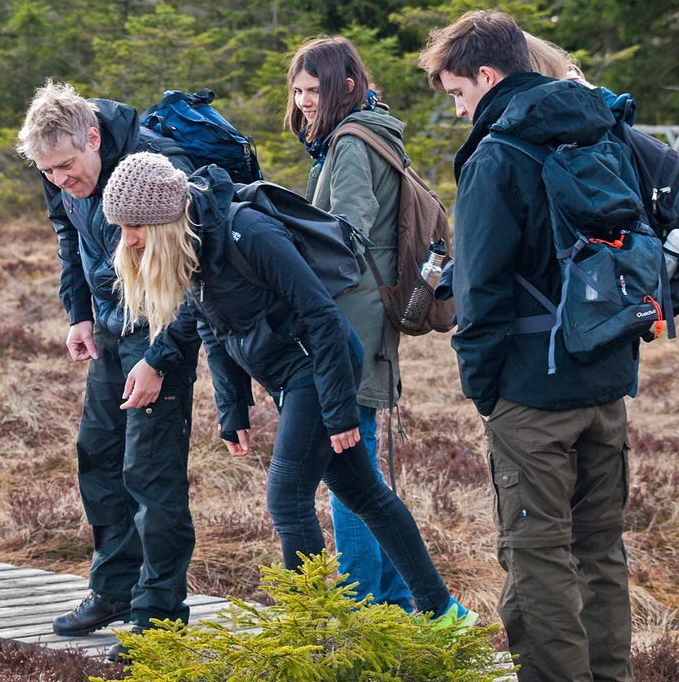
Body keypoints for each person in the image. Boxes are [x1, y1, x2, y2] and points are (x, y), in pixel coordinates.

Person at [101, 151, 478, 628]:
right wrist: (233, 409)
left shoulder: (248, 232)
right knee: (365, 494)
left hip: (318, 369)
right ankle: (445, 613)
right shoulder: (194, 244)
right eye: (121, 227)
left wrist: (339, 411)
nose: (129, 239)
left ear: (162, 216)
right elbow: (213, 325)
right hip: (289, 377)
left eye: (134, 226)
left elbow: (323, 317)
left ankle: (308, 632)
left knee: (287, 500)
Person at [418, 10, 635, 682]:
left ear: (487, 75)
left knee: (537, 555)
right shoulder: (600, 127)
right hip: (606, 380)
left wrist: (483, 388)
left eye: (458, 93)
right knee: (601, 552)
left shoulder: (497, 155)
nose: (458, 110)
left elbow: (480, 291)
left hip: (531, 395)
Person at [16, 80, 200, 661]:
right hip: (111, 329)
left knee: (152, 474)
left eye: (66, 167)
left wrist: (159, 359)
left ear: (93, 139)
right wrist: (79, 314)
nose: (59, 180)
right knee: (98, 456)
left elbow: (194, 275)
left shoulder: (156, 170)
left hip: (161, 329)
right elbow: (69, 238)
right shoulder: (60, 173)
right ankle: (114, 591)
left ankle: (159, 618)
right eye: (47, 171)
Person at [285, 35, 412, 611]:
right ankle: (393, 600)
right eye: (299, 90)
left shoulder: (352, 142)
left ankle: (365, 604)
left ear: (348, 87)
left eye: (315, 89)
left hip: (351, 320)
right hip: (362, 315)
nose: (305, 100)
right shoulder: (362, 133)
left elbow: (348, 231)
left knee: (349, 471)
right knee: (360, 469)